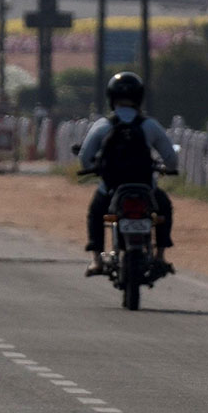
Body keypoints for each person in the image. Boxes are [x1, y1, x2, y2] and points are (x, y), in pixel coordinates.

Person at [78, 70, 179, 276]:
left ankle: (97, 259)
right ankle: (160, 255)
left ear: (110, 97)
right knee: (164, 208)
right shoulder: (149, 125)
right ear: (139, 97)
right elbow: (171, 158)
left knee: (96, 213)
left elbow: (84, 157)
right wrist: (166, 168)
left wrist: (94, 165)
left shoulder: (103, 125)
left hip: (111, 189)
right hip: (145, 188)